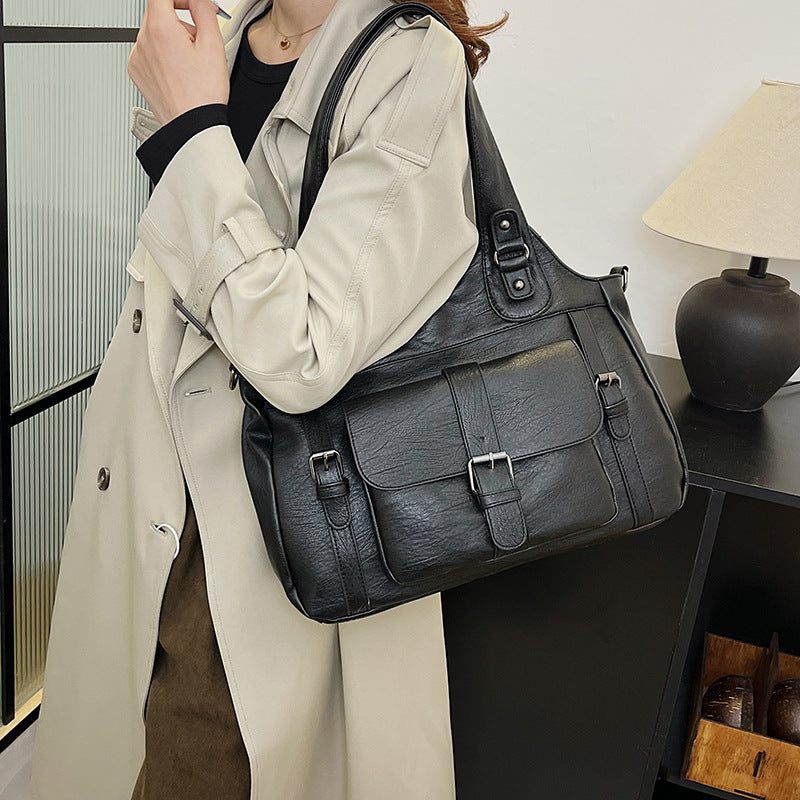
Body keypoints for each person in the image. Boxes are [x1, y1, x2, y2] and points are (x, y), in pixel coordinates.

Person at [29, 0, 508, 798]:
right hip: (153, 490)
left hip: (272, 533)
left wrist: (190, 124)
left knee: (203, 761)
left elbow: (303, 351)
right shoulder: (233, 33)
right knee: (115, 751)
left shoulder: (408, 58)